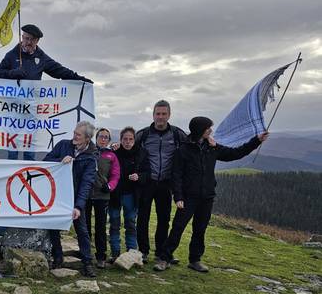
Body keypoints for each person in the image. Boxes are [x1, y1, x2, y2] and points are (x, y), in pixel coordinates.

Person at [154, 118, 269, 272]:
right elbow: (176, 176)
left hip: (207, 196)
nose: (210, 131)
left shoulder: (212, 147)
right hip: (188, 197)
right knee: (178, 228)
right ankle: (164, 258)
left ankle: (195, 260)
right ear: (199, 130)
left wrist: (256, 141)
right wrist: (178, 197)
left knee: (200, 229)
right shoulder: (183, 150)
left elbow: (235, 153)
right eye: (208, 128)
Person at [0, 24, 93, 161]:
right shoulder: (12, 55)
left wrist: (81, 80)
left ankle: (28, 172)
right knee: (13, 145)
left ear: (37, 41)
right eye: (26, 38)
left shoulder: (41, 57)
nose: (28, 42)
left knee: (29, 146)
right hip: (13, 108)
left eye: (32, 39)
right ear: (22, 37)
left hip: (32, 109)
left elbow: (60, 71)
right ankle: (11, 173)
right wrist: (13, 73)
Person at [134, 100, 188, 263]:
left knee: (164, 219)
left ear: (169, 115)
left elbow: (190, 150)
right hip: (146, 183)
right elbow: (129, 150)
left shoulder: (177, 134)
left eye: (164, 114)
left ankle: (161, 252)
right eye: (158, 114)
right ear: (153, 115)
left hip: (166, 183)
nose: (161, 117)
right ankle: (143, 251)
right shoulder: (143, 134)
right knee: (142, 218)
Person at [44, 121, 98, 277]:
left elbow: (87, 183)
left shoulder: (91, 157)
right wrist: (60, 161)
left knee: (81, 229)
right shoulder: (63, 145)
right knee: (54, 227)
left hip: (75, 198)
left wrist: (79, 206)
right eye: (74, 132)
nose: (74, 136)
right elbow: (46, 161)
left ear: (87, 139)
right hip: (57, 195)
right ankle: (58, 257)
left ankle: (87, 262)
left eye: (78, 134)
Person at [87, 128, 120, 269]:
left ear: (109, 140)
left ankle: (101, 256)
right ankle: (85, 253)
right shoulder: (88, 151)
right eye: (101, 136)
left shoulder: (111, 155)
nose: (103, 139)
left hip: (102, 195)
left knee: (100, 227)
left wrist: (110, 186)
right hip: (86, 194)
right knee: (85, 225)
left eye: (106, 137)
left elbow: (116, 174)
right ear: (96, 137)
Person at [108, 127, 140, 259]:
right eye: (125, 139)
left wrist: (139, 176)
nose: (128, 142)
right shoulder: (115, 152)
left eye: (131, 139)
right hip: (115, 194)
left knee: (130, 224)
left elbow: (147, 171)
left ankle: (132, 253)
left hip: (131, 194)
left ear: (134, 140)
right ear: (120, 140)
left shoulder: (140, 153)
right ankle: (115, 253)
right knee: (114, 224)